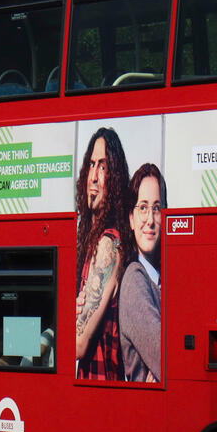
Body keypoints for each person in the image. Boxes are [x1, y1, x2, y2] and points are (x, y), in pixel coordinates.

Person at [74, 127, 130, 380]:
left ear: (115, 178)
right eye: (91, 164)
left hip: (100, 390)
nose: (94, 177)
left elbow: (78, 343)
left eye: (103, 167)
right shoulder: (94, 240)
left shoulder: (108, 244)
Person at [120, 164, 165, 383]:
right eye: (143, 207)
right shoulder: (135, 279)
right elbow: (169, 360)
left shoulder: (159, 280)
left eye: (156, 208)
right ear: (131, 218)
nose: (149, 220)